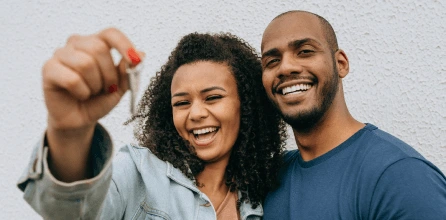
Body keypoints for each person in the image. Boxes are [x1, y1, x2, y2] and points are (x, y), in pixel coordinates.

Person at [17, 28, 286, 219]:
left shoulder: (263, 194)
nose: (195, 113)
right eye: (182, 103)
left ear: (246, 105)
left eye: (213, 97)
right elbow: (74, 214)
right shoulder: (138, 172)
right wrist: (69, 134)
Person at [261, 10, 446, 219]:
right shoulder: (271, 178)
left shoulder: (399, 176)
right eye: (272, 61)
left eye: (305, 51)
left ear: (341, 63)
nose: (286, 67)